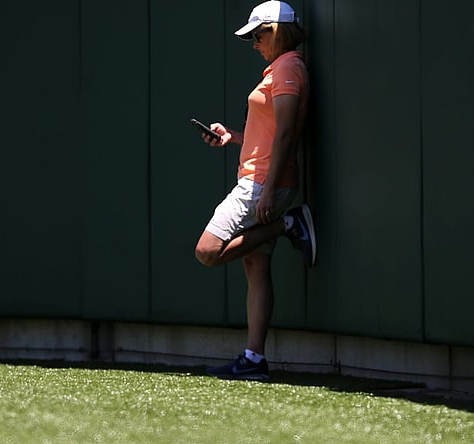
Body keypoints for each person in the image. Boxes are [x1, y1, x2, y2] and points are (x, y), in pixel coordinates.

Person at [194, 0, 315, 381]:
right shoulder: (279, 68)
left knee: (207, 251)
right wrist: (231, 137)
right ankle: (254, 358)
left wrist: (267, 193)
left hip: (262, 182)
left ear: (277, 32)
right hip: (262, 178)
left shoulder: (289, 67)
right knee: (255, 265)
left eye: (258, 35)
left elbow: (285, 135)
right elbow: (268, 135)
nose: (254, 44)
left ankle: (289, 225)